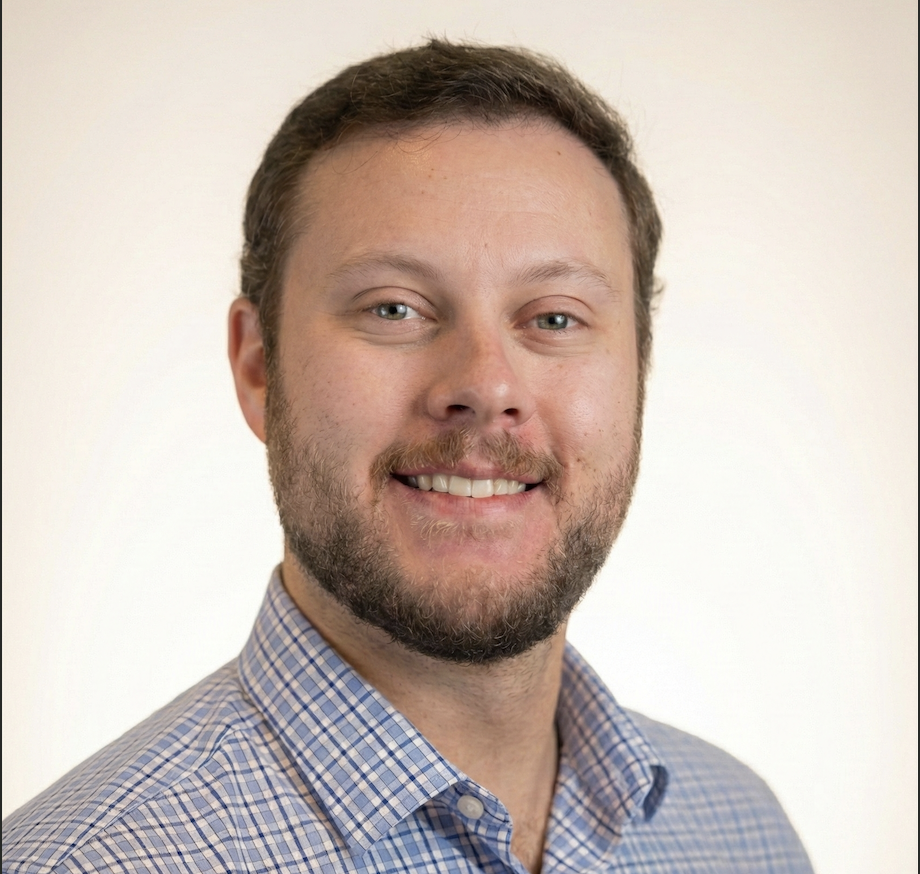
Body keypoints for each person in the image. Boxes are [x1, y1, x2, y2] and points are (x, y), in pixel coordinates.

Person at [2, 40, 813, 874]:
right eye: (393, 308)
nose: (486, 386)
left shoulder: (741, 835)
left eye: (555, 318)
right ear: (257, 366)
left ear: (640, 367)